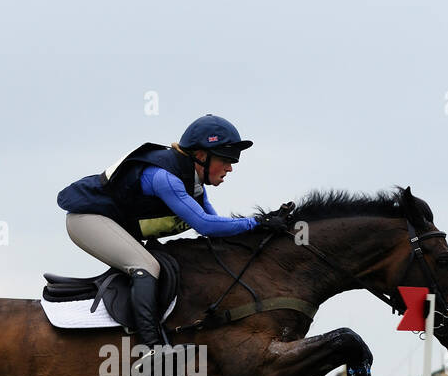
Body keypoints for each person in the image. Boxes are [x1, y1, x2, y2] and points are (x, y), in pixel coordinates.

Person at [57, 115, 284, 360]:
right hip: (86, 220)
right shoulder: (166, 178)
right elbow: (206, 225)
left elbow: (217, 232)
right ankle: (150, 349)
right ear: (200, 155)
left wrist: (262, 231)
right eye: (226, 159)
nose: (231, 167)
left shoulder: (194, 185)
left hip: (110, 222)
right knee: (146, 266)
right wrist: (257, 222)